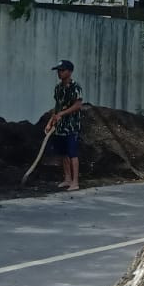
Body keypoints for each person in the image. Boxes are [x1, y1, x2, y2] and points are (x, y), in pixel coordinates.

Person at [46, 60, 84, 191]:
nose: (59, 73)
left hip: (72, 125)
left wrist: (62, 114)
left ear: (69, 71)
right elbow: (57, 107)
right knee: (63, 154)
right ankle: (67, 179)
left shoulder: (76, 87)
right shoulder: (58, 88)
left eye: (62, 70)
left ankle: (75, 182)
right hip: (60, 126)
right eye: (58, 70)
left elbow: (78, 105)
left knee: (72, 153)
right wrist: (50, 122)